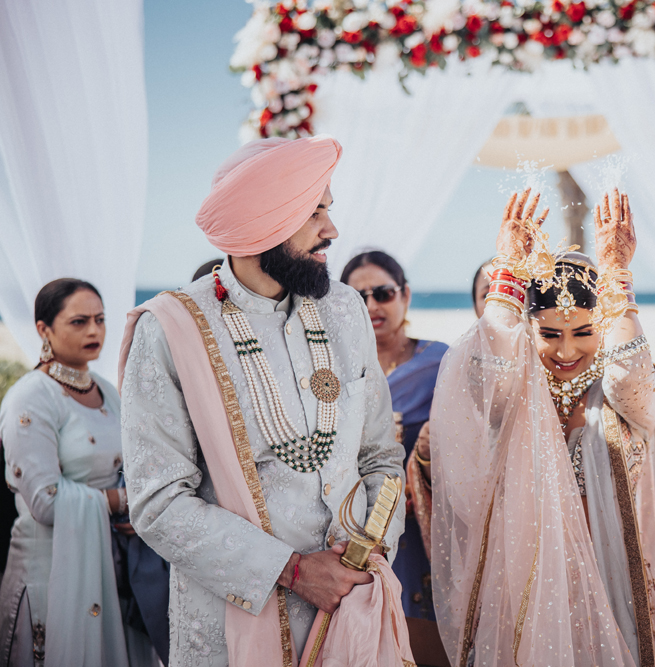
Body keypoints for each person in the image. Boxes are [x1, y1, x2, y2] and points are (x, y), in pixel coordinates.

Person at [118, 135, 408, 666]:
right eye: (313, 211)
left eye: (329, 209)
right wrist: (294, 570)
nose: (332, 230)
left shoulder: (343, 310)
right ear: (261, 222)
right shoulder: (171, 330)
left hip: (354, 615)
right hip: (237, 623)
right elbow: (158, 503)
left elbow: (381, 456)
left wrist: (369, 551)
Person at [427, 189, 655, 666]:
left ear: (604, 328)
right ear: (528, 329)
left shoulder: (627, 399)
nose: (565, 352)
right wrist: (507, 274)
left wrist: (617, 273)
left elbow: (629, 369)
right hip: (524, 591)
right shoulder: (513, 395)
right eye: (550, 334)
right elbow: (481, 365)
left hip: (613, 584)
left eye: (584, 332)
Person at [0, 279, 166, 666]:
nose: (94, 330)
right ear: (44, 329)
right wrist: (124, 501)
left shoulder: (108, 391)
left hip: (113, 567)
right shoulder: (30, 397)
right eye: (78, 322)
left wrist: (135, 510)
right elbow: (44, 501)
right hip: (52, 570)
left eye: (100, 319)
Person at [340, 251, 446, 621]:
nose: (372, 305)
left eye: (382, 293)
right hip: (353, 525)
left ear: (405, 295)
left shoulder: (440, 364)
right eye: (358, 297)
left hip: (424, 526)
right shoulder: (337, 372)